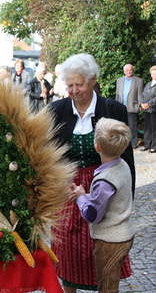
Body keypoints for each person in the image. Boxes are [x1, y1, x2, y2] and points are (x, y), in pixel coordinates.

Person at [49, 53, 135, 293]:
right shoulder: (57, 110)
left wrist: (129, 199)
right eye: (70, 85)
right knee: (68, 250)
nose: (74, 90)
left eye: (80, 84)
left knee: (102, 247)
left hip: (103, 186)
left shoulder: (113, 108)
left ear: (93, 80)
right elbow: (50, 153)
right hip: (69, 189)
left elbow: (126, 157)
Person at [71, 117, 134, 293]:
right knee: (111, 282)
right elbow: (109, 199)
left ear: (97, 146)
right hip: (124, 235)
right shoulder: (122, 165)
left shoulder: (105, 180)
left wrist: (81, 197)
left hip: (109, 241)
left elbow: (93, 214)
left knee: (107, 286)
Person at [115, 64, 143, 149]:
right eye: (126, 70)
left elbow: (140, 95)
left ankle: (133, 144)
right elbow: (117, 95)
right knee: (121, 127)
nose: (128, 71)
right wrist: (116, 105)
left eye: (130, 70)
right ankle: (122, 143)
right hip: (121, 107)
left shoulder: (139, 80)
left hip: (132, 107)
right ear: (124, 71)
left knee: (132, 127)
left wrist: (139, 105)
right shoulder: (119, 80)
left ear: (132, 70)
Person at [140, 65, 156, 153]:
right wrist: (142, 103)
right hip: (146, 110)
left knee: (154, 129)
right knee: (147, 128)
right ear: (151, 74)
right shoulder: (148, 84)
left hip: (154, 110)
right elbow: (143, 94)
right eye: (153, 74)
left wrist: (149, 104)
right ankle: (147, 145)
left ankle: (154, 146)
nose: (154, 75)